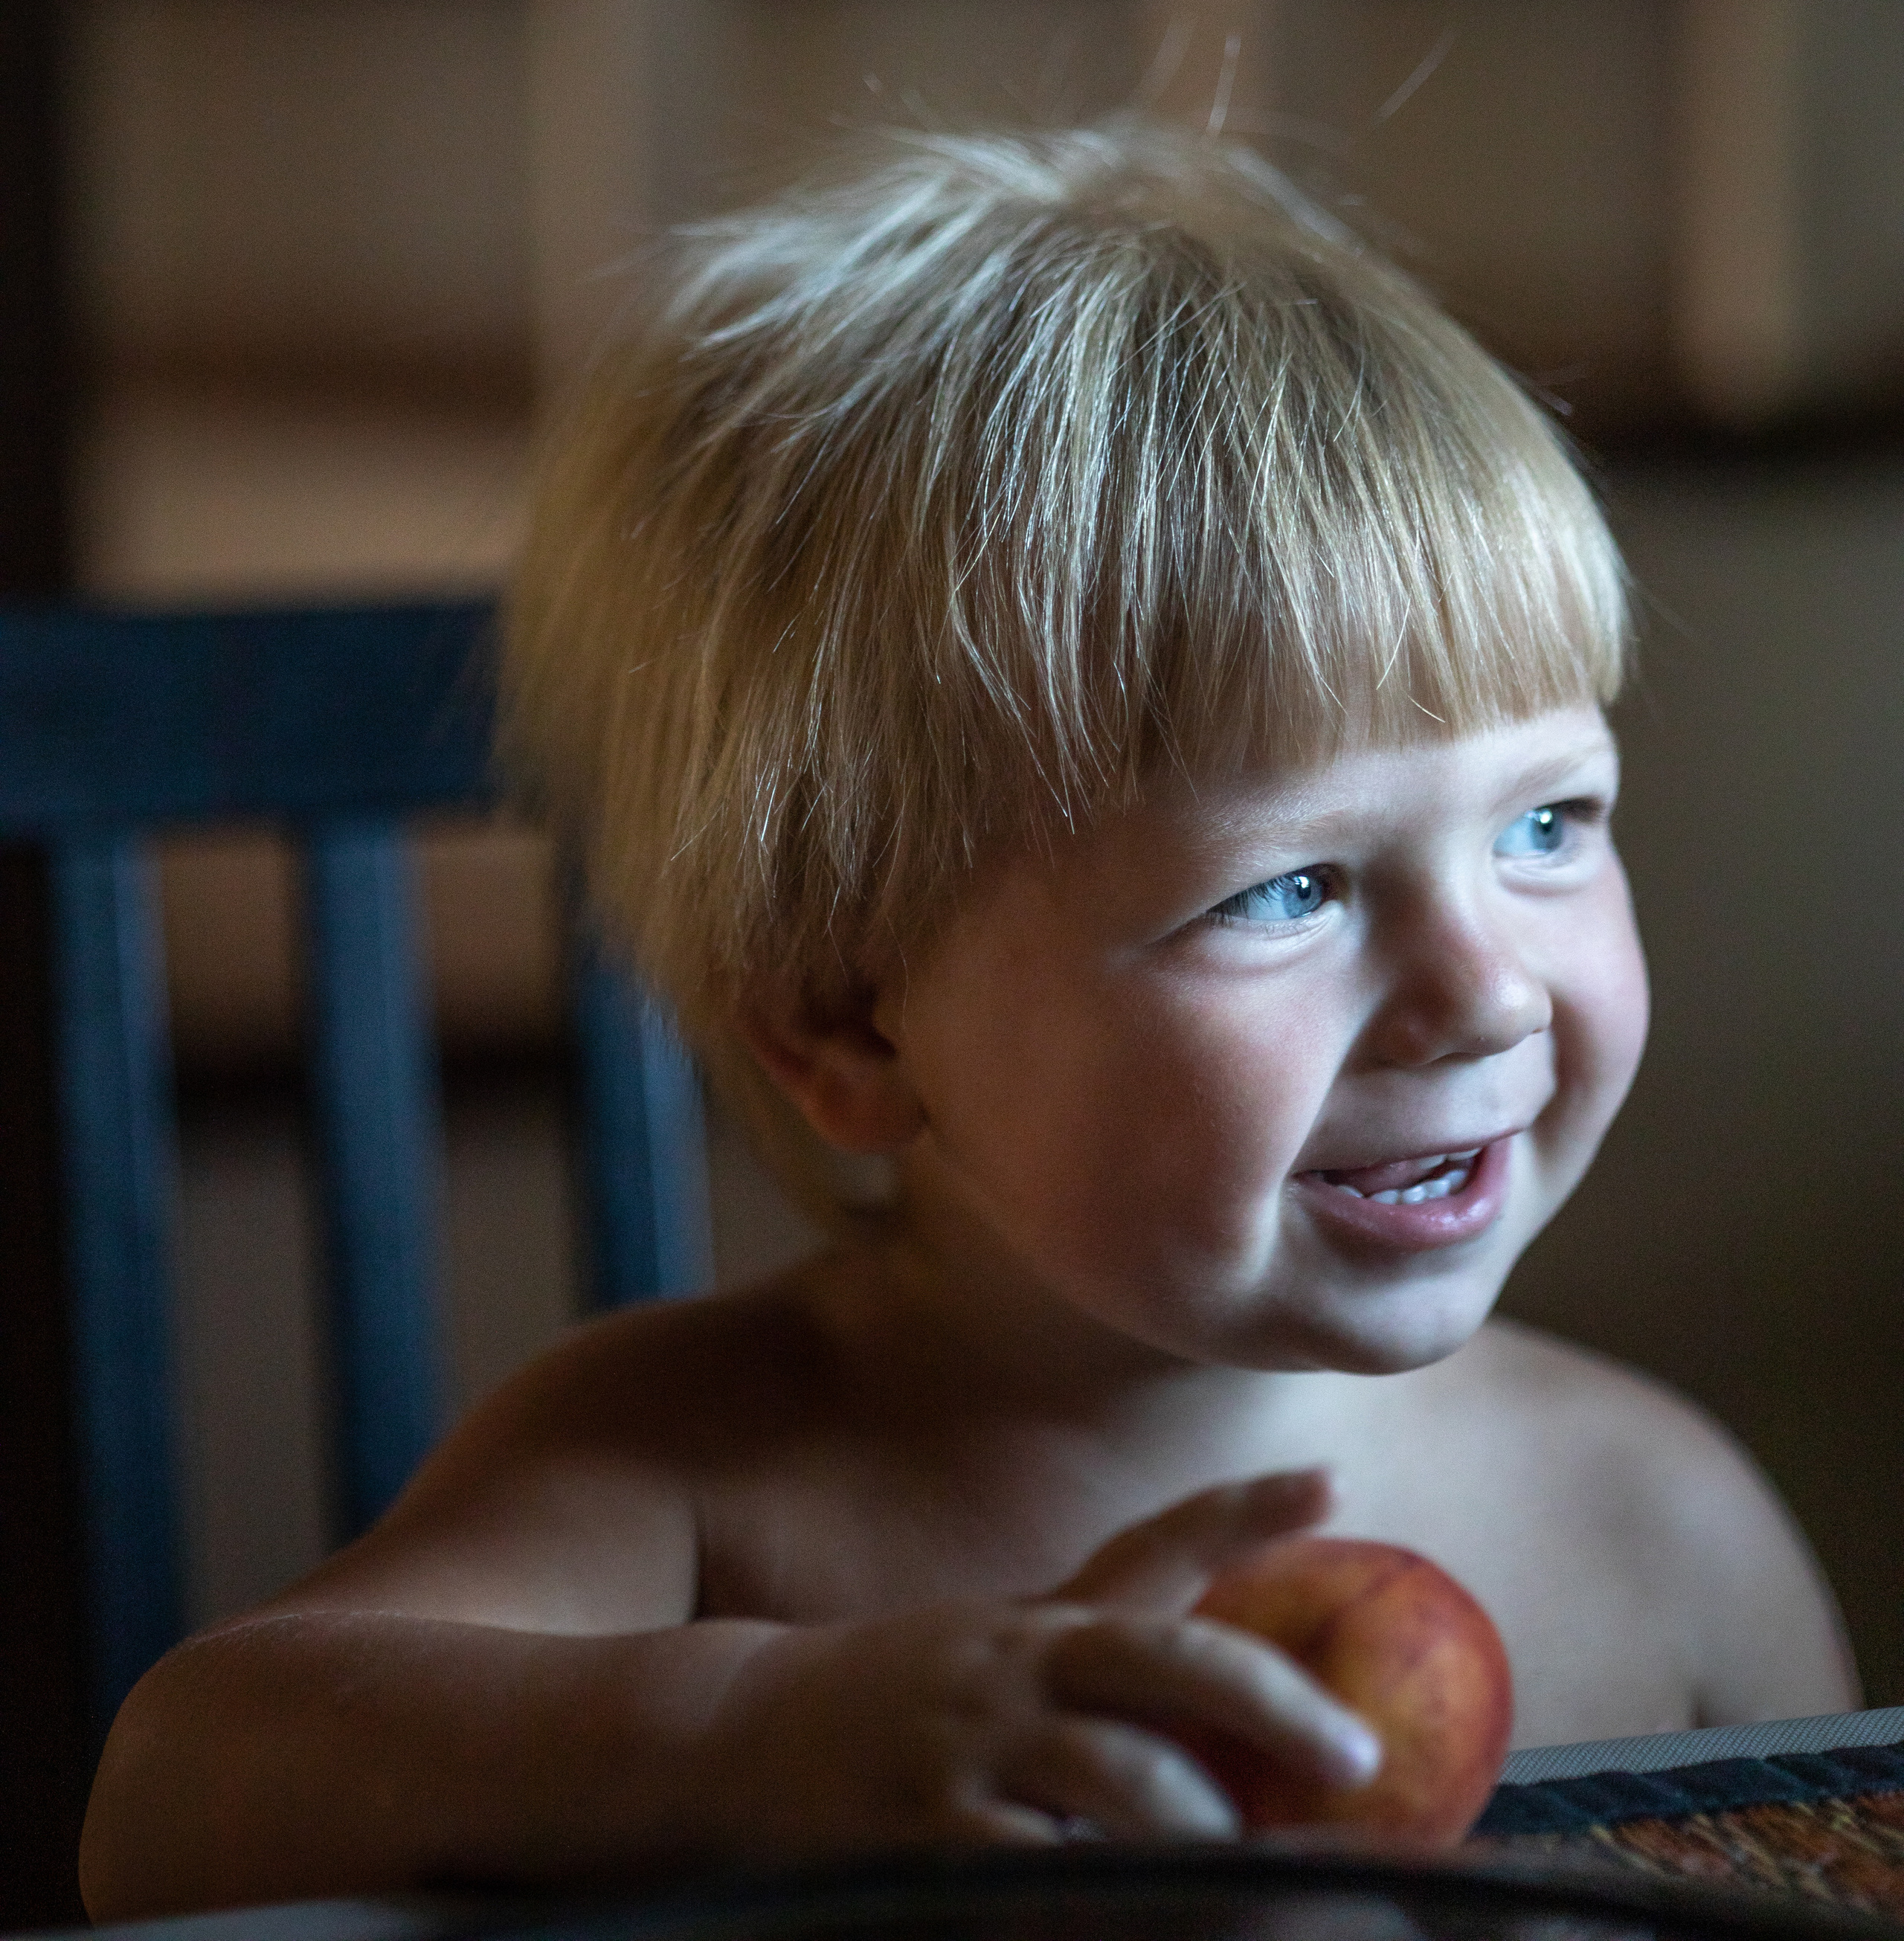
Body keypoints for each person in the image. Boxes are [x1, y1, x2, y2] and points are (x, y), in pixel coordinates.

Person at [80, 121, 1856, 1920]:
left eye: (1545, 824)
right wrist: (749, 1731)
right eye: (1286, 889)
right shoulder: (700, 1481)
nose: (1479, 989)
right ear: (850, 1024)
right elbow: (173, 1791)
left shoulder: (1659, 1522)